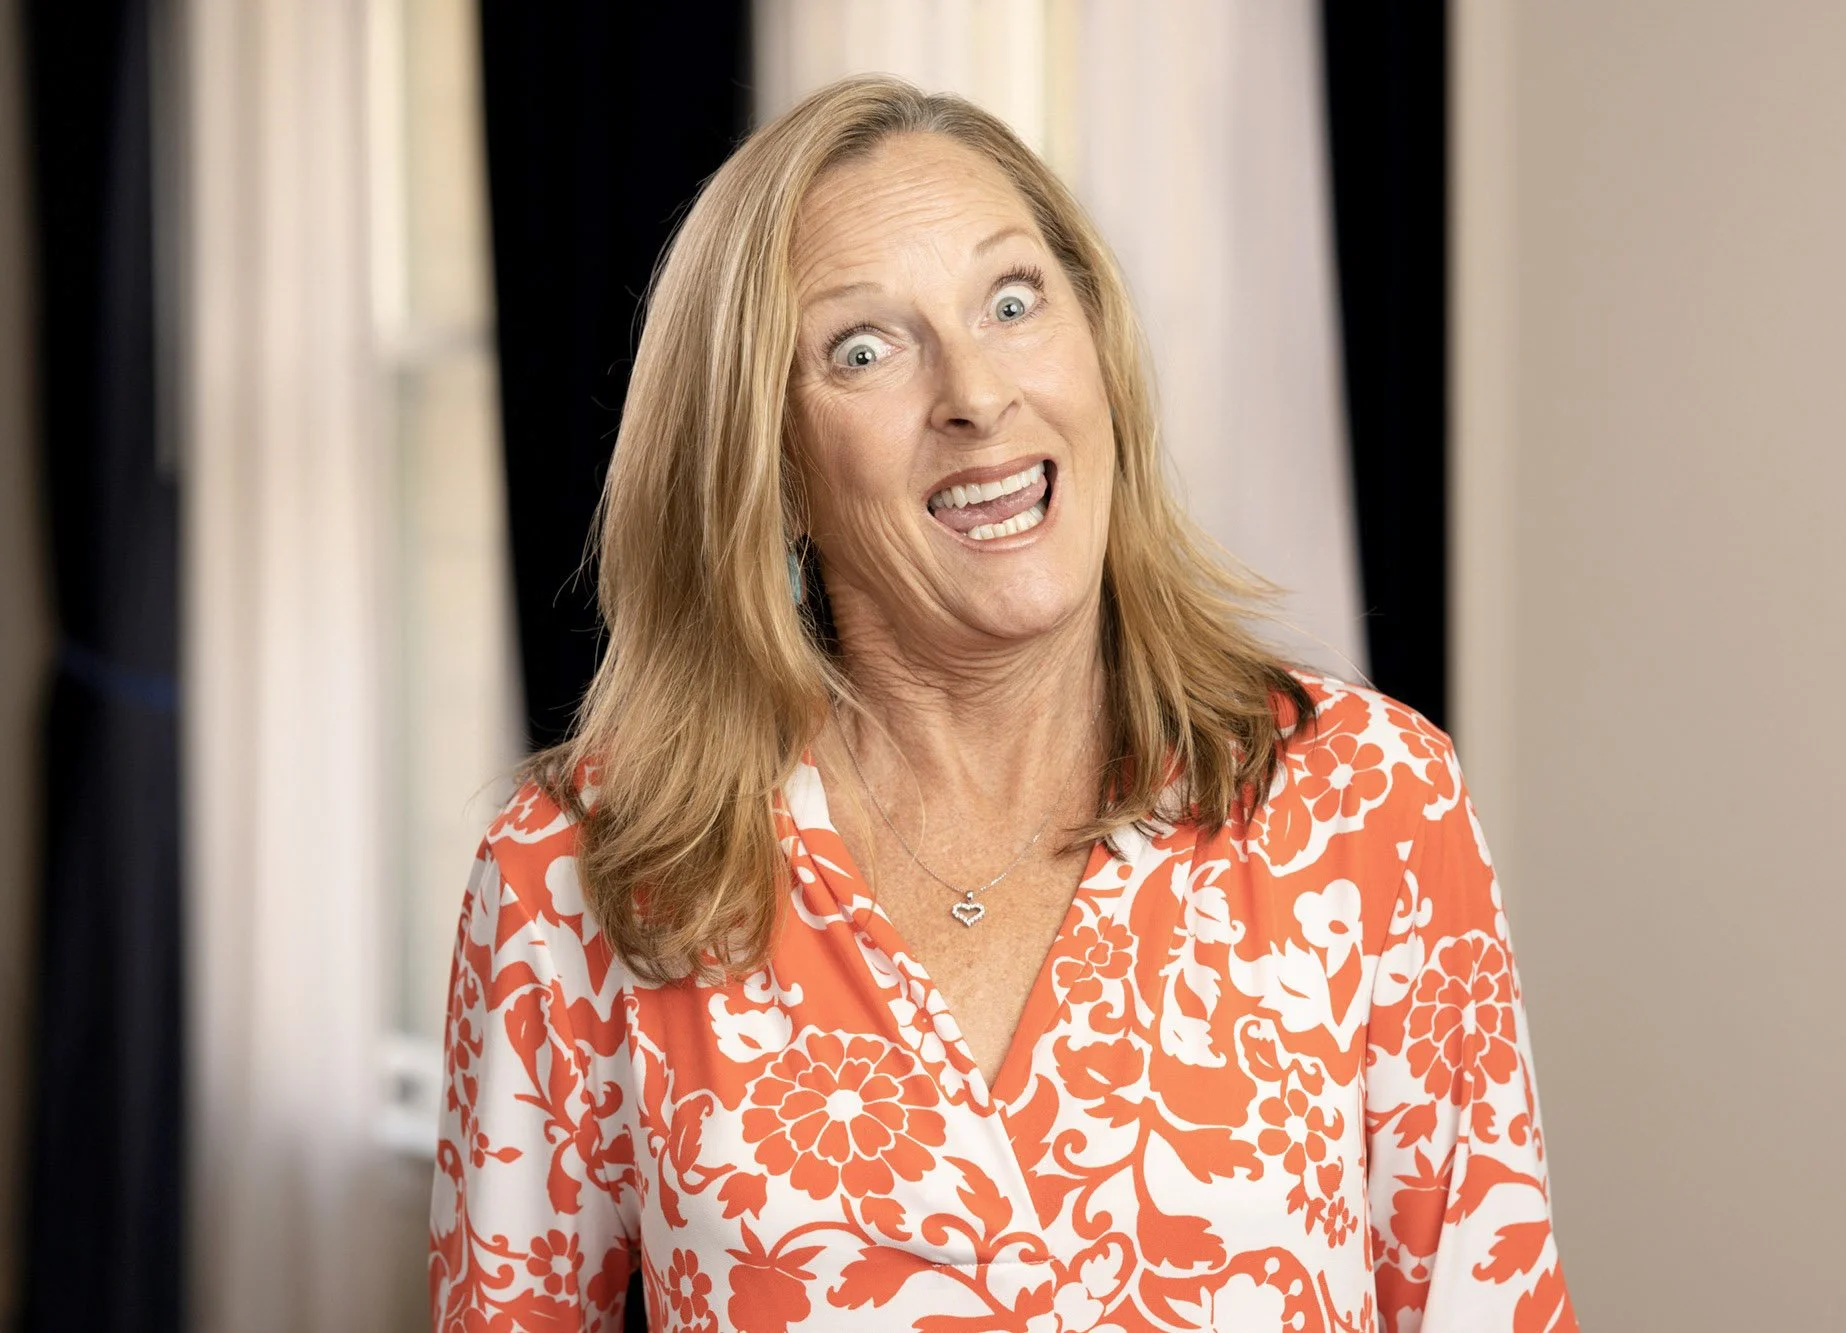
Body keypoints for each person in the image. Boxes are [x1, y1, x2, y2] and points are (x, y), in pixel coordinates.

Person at [429, 75, 1576, 1333]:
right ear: (772, 465)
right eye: (863, 348)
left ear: (1098, 353)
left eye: (1012, 301)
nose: (974, 393)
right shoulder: (577, 874)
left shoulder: (1368, 801)